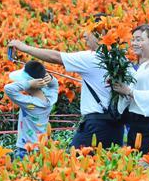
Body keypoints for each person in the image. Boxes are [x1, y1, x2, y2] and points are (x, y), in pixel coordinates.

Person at [8, 16, 123, 150]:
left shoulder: (92, 57)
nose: (84, 35)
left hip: (96, 124)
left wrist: (24, 47)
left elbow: (55, 57)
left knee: (74, 161)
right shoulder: (120, 58)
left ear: (100, 34)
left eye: (88, 31)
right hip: (117, 125)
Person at [112, 25, 149, 154]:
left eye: (142, 40)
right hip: (136, 122)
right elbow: (133, 89)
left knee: (148, 166)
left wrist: (129, 91)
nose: (138, 44)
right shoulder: (145, 65)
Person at [3, 60, 58, 160]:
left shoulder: (29, 103)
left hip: (25, 149)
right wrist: (51, 78)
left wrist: (28, 84)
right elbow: (54, 86)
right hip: (41, 148)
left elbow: (8, 89)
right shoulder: (50, 100)